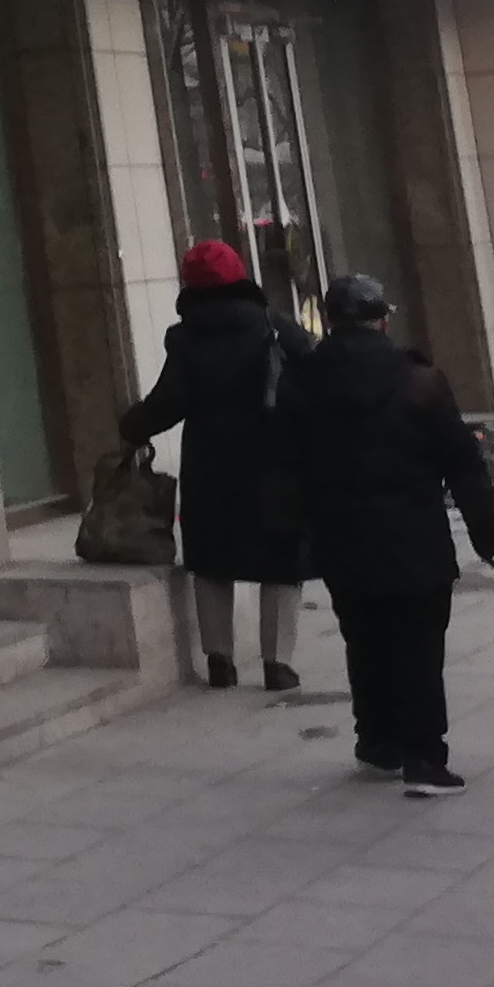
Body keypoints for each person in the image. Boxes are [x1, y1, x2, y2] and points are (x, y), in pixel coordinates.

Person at [279, 271, 494, 794]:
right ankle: (424, 757)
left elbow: (282, 465)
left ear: (329, 321)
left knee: (365, 640)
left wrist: (287, 536)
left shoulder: (300, 382)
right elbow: (462, 463)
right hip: (413, 537)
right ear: (381, 321)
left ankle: (378, 742)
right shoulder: (418, 380)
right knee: (419, 647)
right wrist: (486, 534)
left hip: (340, 537)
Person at [121, 238, 308, 690]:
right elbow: (314, 379)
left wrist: (132, 426)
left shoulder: (186, 339)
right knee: (281, 560)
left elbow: (167, 403)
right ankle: (277, 663)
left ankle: (219, 658)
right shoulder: (276, 327)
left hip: (211, 464)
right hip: (274, 463)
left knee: (211, 559)